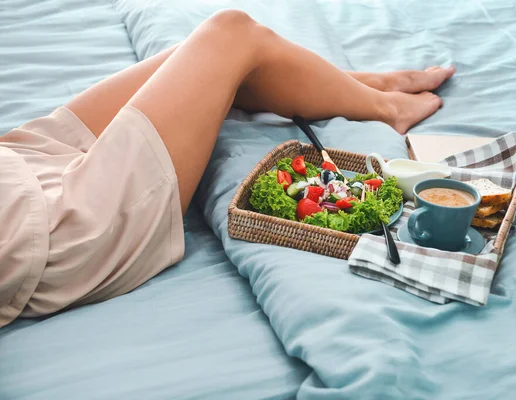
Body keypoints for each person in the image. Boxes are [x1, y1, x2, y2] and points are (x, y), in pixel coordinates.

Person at [0, 10, 455, 327]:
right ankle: (384, 107)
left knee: (203, 58)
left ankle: (365, 86)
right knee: (230, 32)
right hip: (57, 225)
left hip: (20, 164)